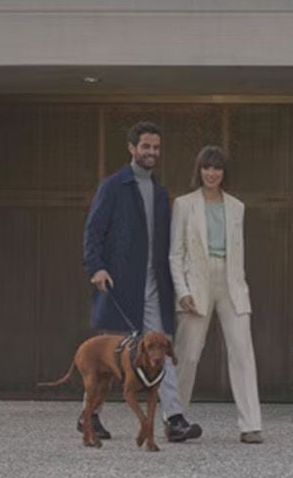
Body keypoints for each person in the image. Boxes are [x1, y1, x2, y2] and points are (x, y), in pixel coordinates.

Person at [82, 120, 202, 444]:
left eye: (156, 147)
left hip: (153, 288)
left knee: (160, 350)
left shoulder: (161, 193)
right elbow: (93, 231)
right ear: (132, 148)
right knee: (109, 357)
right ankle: (90, 415)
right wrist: (96, 267)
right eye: (146, 146)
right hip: (119, 285)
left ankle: (174, 418)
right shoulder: (113, 186)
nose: (152, 152)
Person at [170, 146, 263, 444]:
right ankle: (174, 419)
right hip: (196, 282)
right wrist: (182, 291)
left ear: (224, 172)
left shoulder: (237, 206)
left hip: (231, 282)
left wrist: (242, 285)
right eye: (206, 168)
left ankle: (251, 425)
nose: (211, 173)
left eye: (217, 168)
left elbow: (240, 252)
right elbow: (175, 254)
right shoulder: (184, 205)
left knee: (242, 353)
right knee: (188, 354)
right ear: (199, 171)